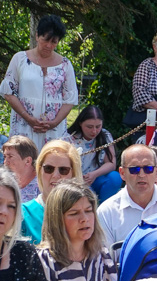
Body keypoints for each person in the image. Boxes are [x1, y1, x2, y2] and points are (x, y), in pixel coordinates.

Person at [1, 15, 77, 151]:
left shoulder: (65, 64)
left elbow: (70, 99)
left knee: (51, 164)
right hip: (23, 125)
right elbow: (8, 92)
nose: (49, 45)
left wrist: (54, 122)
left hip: (53, 129)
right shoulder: (20, 59)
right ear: (37, 36)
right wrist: (28, 117)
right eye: (45, 40)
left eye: (54, 42)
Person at [96, 145, 157, 249]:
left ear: (156, 171)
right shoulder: (106, 212)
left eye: (148, 168)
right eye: (134, 169)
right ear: (122, 173)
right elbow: (106, 260)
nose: (142, 175)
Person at [22, 141, 82, 244]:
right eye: (49, 169)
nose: (55, 175)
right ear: (40, 171)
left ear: (73, 174)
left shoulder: (84, 213)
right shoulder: (23, 214)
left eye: (63, 170)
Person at [62, 106, 122, 202]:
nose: (94, 131)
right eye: (89, 127)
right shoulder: (68, 138)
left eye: (98, 126)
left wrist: (94, 174)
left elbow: (111, 163)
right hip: (75, 180)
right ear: (80, 123)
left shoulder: (105, 135)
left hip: (96, 177)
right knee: (85, 194)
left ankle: (104, 210)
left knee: (115, 177)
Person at [1, 136, 40, 202]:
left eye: (10, 156)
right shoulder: (4, 182)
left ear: (27, 161)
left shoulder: (42, 185)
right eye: (5, 157)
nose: (5, 162)